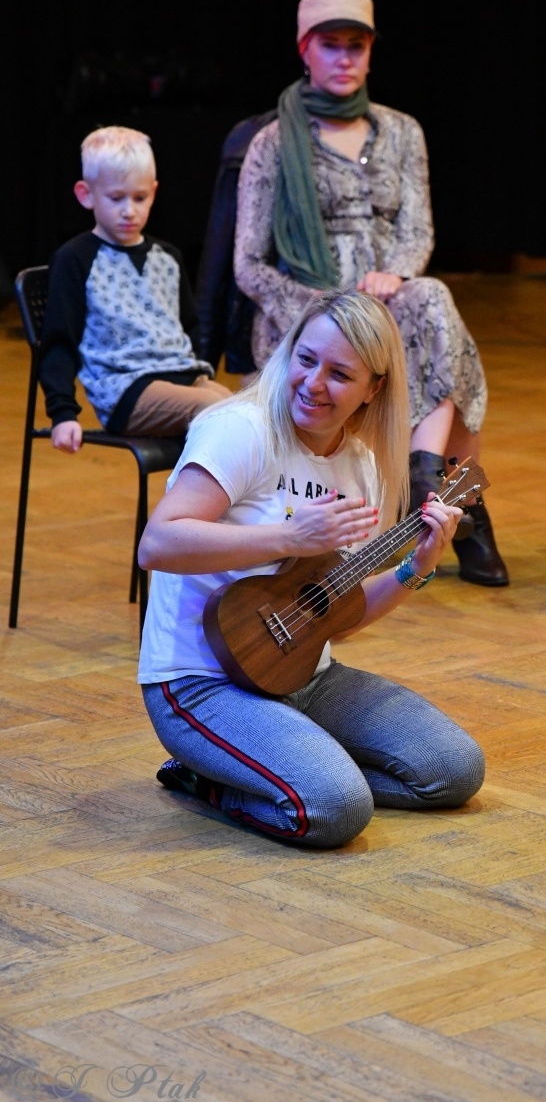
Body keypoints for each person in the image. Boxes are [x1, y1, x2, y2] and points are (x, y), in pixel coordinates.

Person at [137, 289, 486, 849]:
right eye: (306, 359)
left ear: (374, 389)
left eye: (340, 374)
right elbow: (156, 545)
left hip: (302, 675)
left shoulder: (362, 465)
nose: (313, 383)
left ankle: (294, 762)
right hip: (199, 684)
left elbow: (333, 619)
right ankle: (214, 779)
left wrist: (412, 571)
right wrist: (287, 536)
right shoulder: (241, 429)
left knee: (454, 768)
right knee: (336, 807)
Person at [232, 0, 508, 588]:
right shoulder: (273, 143)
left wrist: (398, 272)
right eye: (331, 46)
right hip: (308, 319)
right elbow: (248, 264)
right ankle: (464, 507)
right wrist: (326, 313)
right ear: (305, 49)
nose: (345, 59)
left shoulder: (403, 131)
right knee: (454, 351)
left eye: (356, 46)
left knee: (432, 297)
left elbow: (418, 229)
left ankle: (425, 477)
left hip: (394, 303)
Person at [39, 126, 230, 451]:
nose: (129, 210)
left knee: (255, 415)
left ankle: (242, 503)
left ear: (153, 193)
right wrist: (63, 413)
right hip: (126, 391)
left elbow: (190, 327)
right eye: (116, 198)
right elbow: (58, 342)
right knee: (219, 415)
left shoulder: (168, 257)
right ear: (86, 194)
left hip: (184, 375)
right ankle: (194, 502)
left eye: (139, 198)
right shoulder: (76, 258)